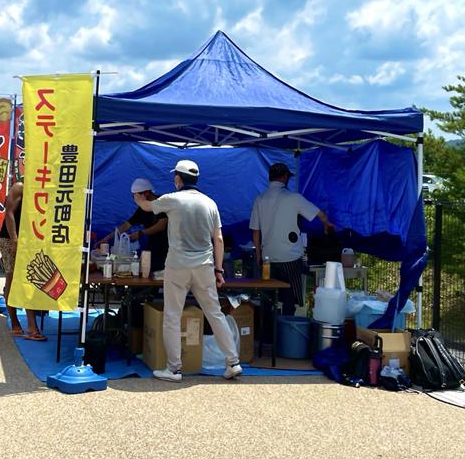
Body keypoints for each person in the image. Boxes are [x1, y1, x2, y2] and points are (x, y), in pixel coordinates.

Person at [134, 160, 241, 382]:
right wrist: (219, 269)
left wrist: (138, 197)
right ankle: (233, 362)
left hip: (177, 266)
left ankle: (174, 369)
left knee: (172, 316)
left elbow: (147, 207)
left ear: (178, 179)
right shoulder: (210, 203)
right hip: (204, 267)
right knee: (215, 313)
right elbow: (218, 239)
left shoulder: (173, 200)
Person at [250, 162, 335, 316]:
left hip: (268, 258)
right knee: (290, 298)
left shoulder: (259, 200)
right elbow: (318, 213)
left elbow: (255, 231)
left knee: (269, 298)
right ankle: (287, 332)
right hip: (290, 257)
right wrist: (326, 223)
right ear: (285, 177)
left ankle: (268, 334)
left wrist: (258, 255)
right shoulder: (293, 197)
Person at [0, 182, 46, 340]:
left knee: (26, 281)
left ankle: (31, 327)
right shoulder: (20, 186)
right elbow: (9, 213)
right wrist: (14, 239)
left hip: (29, 240)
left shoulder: (44, 186)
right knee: (12, 278)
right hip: (11, 239)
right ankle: (17, 322)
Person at [100, 178, 169, 274]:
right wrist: (107, 238)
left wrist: (141, 233)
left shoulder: (162, 202)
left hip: (168, 248)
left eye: (135, 196)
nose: (134, 199)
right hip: (153, 247)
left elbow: (161, 225)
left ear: (146, 193)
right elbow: (127, 225)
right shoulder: (143, 209)